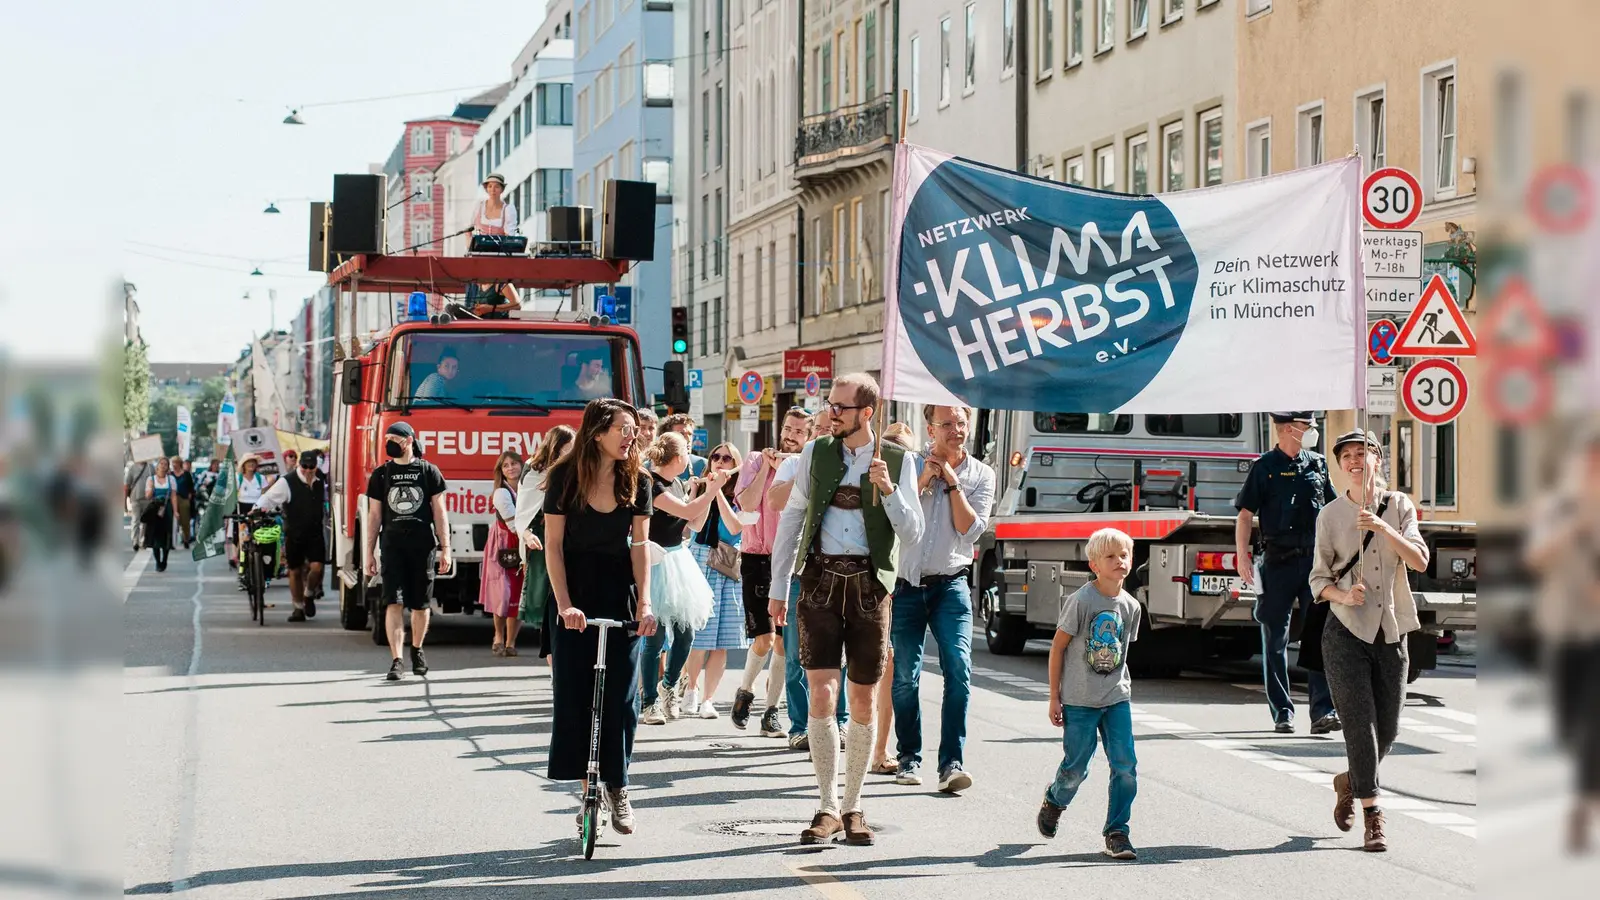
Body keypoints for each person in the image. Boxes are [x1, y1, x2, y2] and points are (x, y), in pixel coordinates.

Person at [768, 373, 924, 846]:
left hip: (869, 587)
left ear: (866, 414)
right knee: (821, 693)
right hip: (818, 581)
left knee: (860, 698)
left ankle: (854, 804)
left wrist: (891, 491)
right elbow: (793, 517)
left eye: (840, 407)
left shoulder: (899, 460)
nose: (830, 413)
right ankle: (826, 806)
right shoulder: (815, 453)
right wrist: (778, 586)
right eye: (830, 405)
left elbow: (913, 533)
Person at [1310, 430, 1430, 853]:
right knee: (1361, 728)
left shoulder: (1398, 506)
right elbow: (1317, 579)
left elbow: (1419, 560)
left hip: (1392, 629)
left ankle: (1350, 780)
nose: (1356, 461)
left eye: (1364, 453)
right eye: (1348, 455)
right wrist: (1343, 595)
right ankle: (1373, 815)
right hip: (1345, 632)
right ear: (1340, 464)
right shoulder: (1329, 514)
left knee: (1389, 729)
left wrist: (1382, 527)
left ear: (1378, 459)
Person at [543, 399, 658, 837]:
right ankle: (587, 785)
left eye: (634, 429)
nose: (632, 436)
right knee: (575, 696)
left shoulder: (638, 480)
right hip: (572, 596)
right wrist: (564, 603)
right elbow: (553, 546)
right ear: (596, 433)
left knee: (622, 700)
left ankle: (618, 786)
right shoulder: (563, 478)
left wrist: (645, 605)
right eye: (623, 429)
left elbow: (641, 546)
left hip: (620, 594)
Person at [891, 405, 996, 794]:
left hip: (951, 583)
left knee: (959, 670)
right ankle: (908, 756)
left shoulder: (981, 474)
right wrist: (922, 481)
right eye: (947, 424)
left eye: (962, 424)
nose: (956, 431)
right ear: (929, 428)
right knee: (905, 676)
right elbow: (895, 518)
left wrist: (951, 483)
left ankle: (951, 762)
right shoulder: (906, 465)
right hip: (905, 585)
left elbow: (970, 532)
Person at [1037, 527, 1142, 861]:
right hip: (1080, 702)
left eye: (1124, 555)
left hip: (1116, 699)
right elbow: (1058, 649)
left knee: (1125, 767)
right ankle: (1055, 800)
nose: (1119, 561)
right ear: (1094, 564)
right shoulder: (1080, 601)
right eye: (1110, 556)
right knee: (1076, 769)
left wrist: (1118, 687)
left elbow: (1121, 652)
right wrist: (1055, 696)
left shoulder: (1131, 606)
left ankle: (1117, 833)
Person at [1234, 411, 1340, 735]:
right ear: (1287, 429)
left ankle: (1323, 711)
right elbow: (1245, 514)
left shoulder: (1318, 464)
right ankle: (1283, 712)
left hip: (1313, 564)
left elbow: (1334, 510)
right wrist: (1243, 555)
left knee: (1319, 636)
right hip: (1276, 562)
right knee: (1275, 639)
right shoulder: (1264, 467)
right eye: (1306, 426)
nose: (1312, 430)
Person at [1526, 425, 1600, 854]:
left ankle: (1583, 807)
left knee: (1594, 724)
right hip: (1562, 628)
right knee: (1569, 725)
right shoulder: (1557, 508)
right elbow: (1536, 558)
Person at [731, 408, 815, 738]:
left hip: (790, 561)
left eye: (798, 431)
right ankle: (746, 689)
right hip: (756, 557)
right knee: (764, 639)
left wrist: (786, 471)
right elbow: (749, 506)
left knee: (783, 642)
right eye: (788, 428)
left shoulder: (804, 466)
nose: (791, 435)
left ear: (807, 437)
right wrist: (768, 467)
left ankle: (771, 711)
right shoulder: (754, 459)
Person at [770, 408, 850, 751]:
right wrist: (805, 469)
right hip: (802, 572)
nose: (819, 434)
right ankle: (800, 726)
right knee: (795, 653)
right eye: (813, 429)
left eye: (824, 428)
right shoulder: (795, 464)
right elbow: (775, 503)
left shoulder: (847, 462)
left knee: (840, 655)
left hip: (838, 572)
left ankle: (840, 723)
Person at [639, 432, 723, 725]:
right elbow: (686, 511)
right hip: (654, 561)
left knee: (686, 633)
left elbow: (693, 523)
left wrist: (706, 493)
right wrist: (711, 491)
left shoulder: (675, 483)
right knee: (655, 637)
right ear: (677, 458)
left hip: (678, 559)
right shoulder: (651, 483)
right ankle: (648, 701)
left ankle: (669, 687)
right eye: (688, 450)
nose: (691, 456)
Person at [364, 423, 451, 681]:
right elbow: (374, 515)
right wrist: (368, 552)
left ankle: (417, 649)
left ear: (409, 440)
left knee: (421, 605)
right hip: (392, 547)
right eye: (387, 438)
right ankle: (397, 660)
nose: (389, 442)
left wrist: (446, 548)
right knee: (393, 601)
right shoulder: (381, 475)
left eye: (394, 438)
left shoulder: (428, 472)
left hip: (422, 545)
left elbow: (440, 512)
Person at [682, 443, 747, 719]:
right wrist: (698, 491)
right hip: (699, 559)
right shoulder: (698, 485)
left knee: (722, 639)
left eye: (726, 457)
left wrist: (718, 490)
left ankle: (708, 699)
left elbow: (735, 527)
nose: (719, 461)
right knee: (699, 636)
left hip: (727, 563)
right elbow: (688, 525)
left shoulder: (742, 494)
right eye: (715, 456)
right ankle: (691, 689)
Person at [516, 426, 577, 661]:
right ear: (556, 446)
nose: (572, 452)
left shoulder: (573, 468)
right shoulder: (534, 470)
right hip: (543, 538)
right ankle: (554, 663)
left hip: (570, 536)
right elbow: (525, 509)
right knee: (547, 604)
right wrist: (527, 534)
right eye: (568, 448)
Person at [254, 449, 329, 622]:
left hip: (315, 531)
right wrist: (256, 509)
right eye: (305, 466)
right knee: (294, 571)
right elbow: (270, 498)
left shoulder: (321, 480)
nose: (308, 470)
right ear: (299, 464)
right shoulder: (287, 482)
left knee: (317, 568)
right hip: (294, 532)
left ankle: (309, 593)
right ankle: (298, 608)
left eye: (312, 467)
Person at [481, 450, 526, 656]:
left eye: (514, 463)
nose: (510, 468)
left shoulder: (528, 489)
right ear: (501, 471)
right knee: (503, 592)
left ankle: (511, 642)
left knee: (518, 593)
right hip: (504, 542)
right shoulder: (501, 493)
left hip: (522, 541)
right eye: (505, 465)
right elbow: (514, 523)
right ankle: (498, 635)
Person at [464, 173, 522, 314]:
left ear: (502, 189)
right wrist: (471, 249)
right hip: (480, 252)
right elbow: (468, 230)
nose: (492, 189)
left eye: (496, 186)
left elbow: (509, 235)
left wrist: (505, 248)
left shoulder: (507, 209)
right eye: (489, 186)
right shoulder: (479, 206)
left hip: (498, 254)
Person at [142, 457, 177, 572]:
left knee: (166, 535)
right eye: (161, 464)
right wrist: (151, 489)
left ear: (168, 467)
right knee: (155, 536)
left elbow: (173, 496)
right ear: (157, 466)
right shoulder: (150, 479)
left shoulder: (171, 479)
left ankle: (165, 559)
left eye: (165, 464)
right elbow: (147, 496)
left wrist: (176, 511)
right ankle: (157, 562)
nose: (163, 466)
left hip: (167, 510)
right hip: (155, 510)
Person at [659, 414, 707, 481]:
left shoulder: (703, 465)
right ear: (667, 437)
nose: (688, 439)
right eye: (682, 434)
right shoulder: (650, 466)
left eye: (690, 434)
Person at [173, 458, 195, 549]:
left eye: (175, 463)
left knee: (185, 521)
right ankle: (172, 541)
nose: (174, 465)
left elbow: (191, 487)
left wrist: (189, 497)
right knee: (173, 521)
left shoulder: (186, 474)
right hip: (173, 498)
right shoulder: (170, 474)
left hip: (184, 498)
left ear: (180, 464)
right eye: (173, 463)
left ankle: (186, 539)